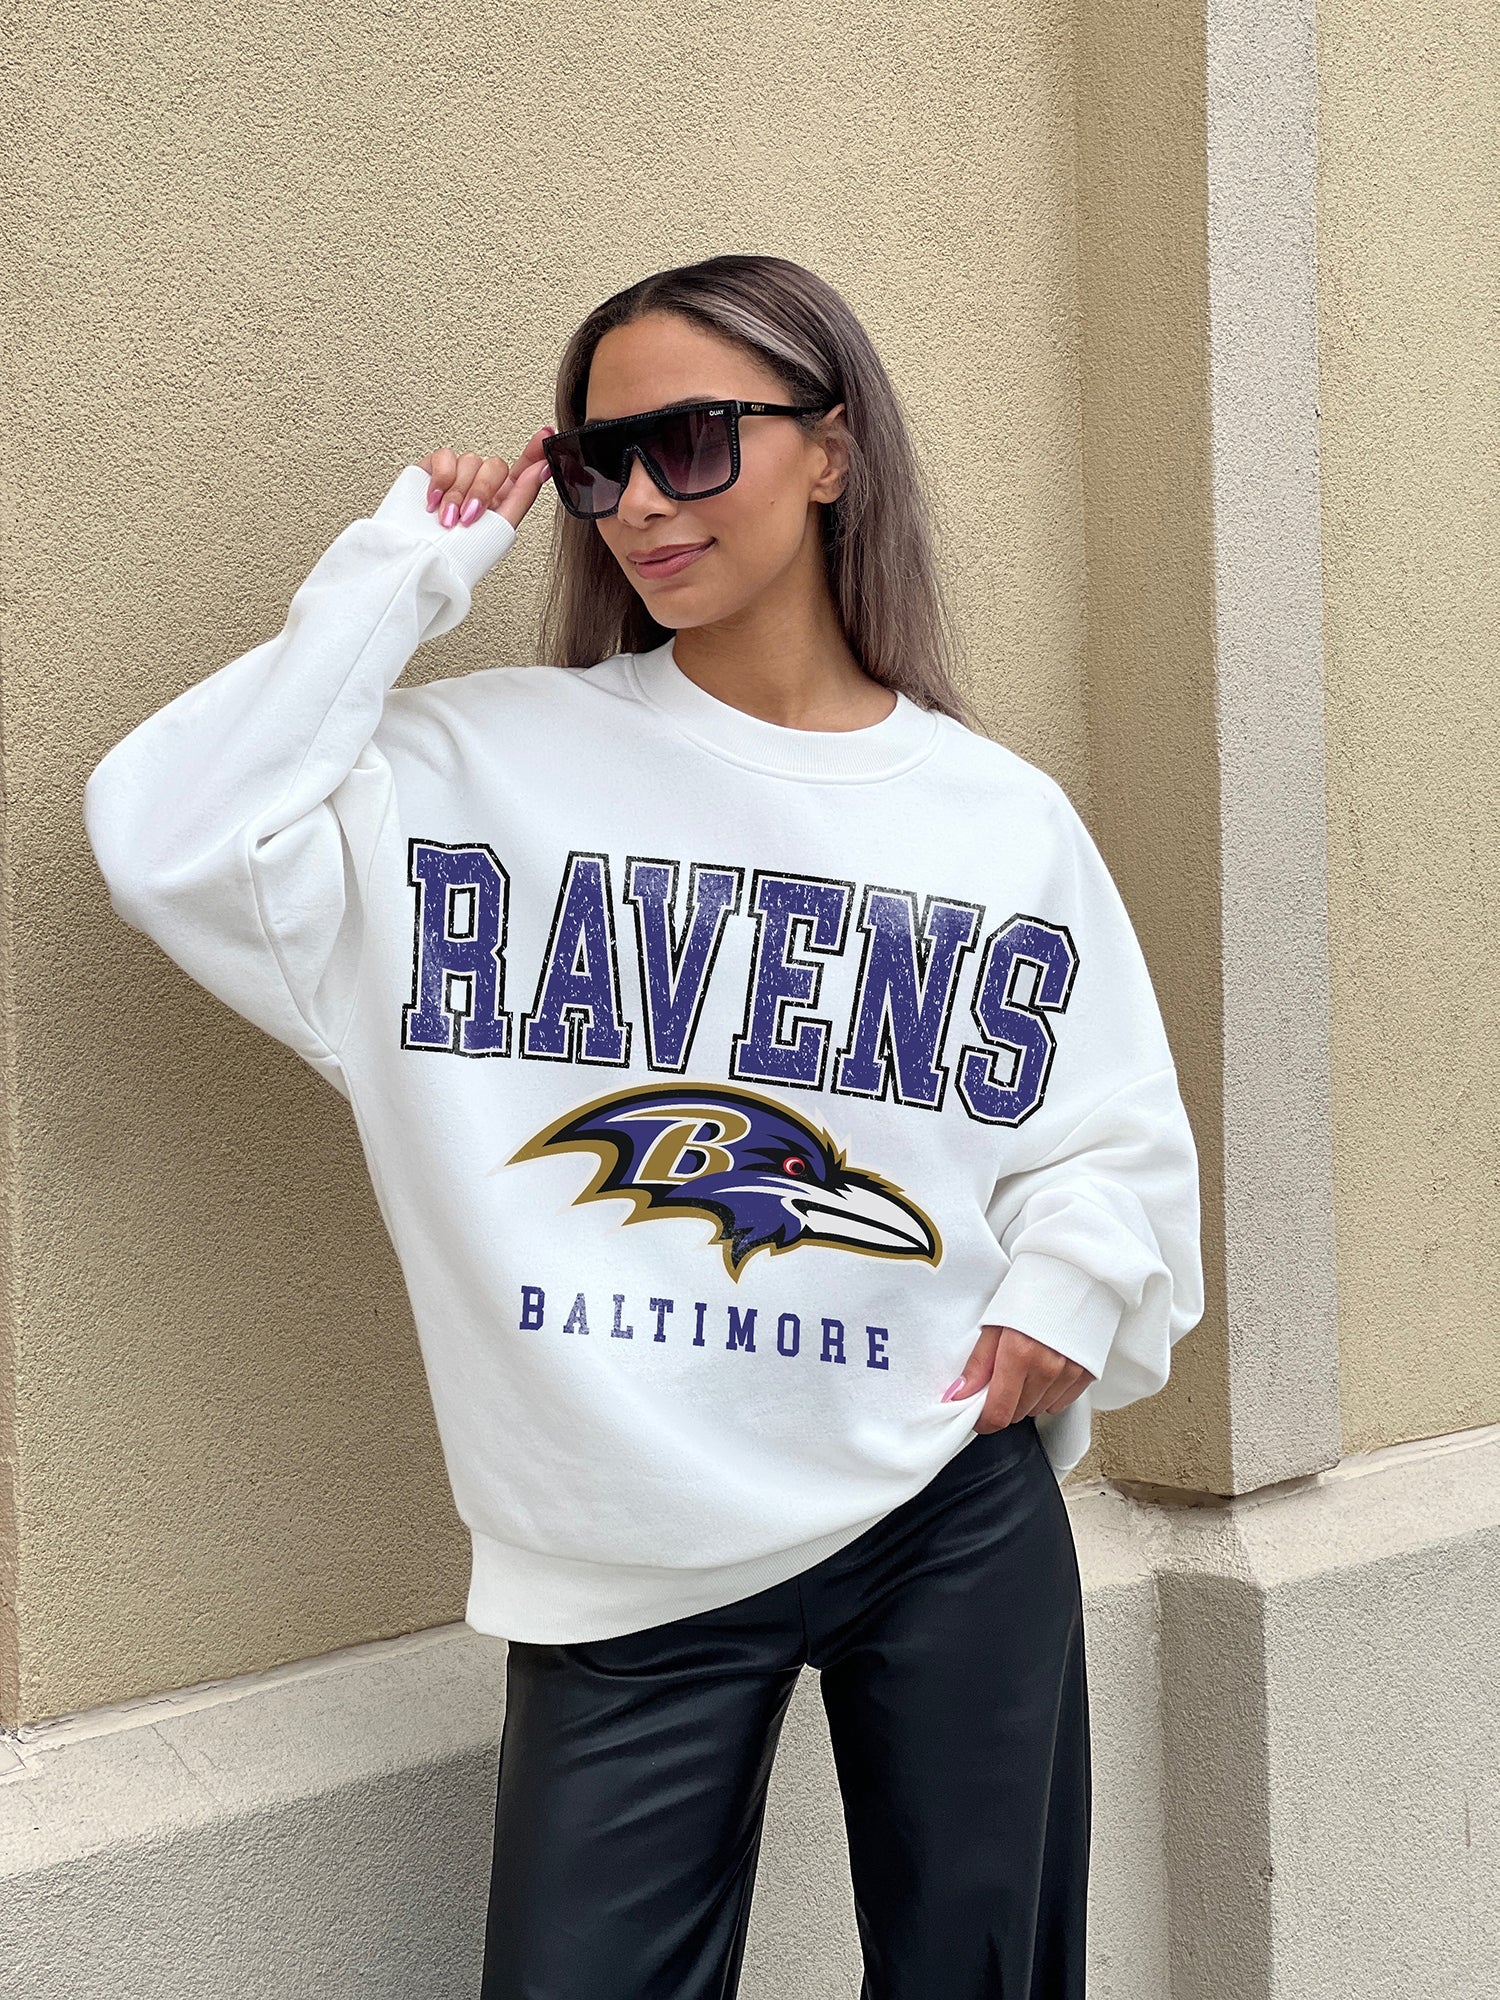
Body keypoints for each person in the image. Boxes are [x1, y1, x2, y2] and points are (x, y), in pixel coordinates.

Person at [82, 253, 1203, 1998]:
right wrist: (404, 572)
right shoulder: (478, 771)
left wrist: (1067, 1291)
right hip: (624, 1527)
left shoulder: (997, 815)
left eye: (690, 443)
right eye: (599, 464)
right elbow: (168, 837)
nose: (639, 505)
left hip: (945, 1488)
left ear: (832, 449)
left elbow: (1109, 1127)